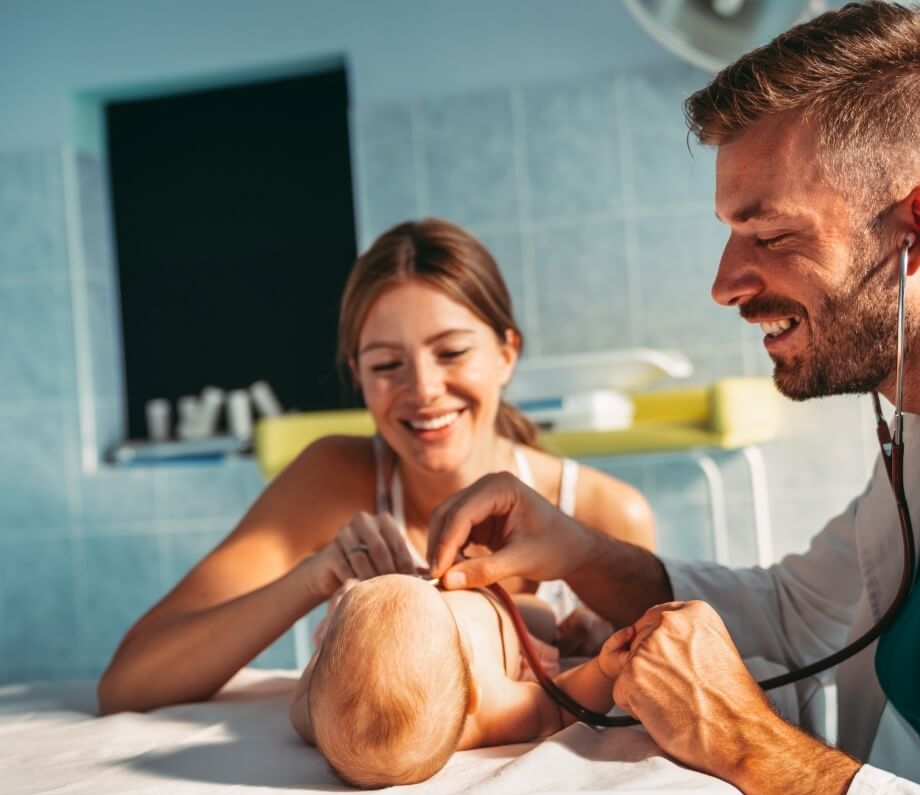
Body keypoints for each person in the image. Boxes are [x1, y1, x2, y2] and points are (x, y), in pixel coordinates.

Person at [422, 3, 920, 795]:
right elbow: (795, 614)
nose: (724, 285)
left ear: (916, 229)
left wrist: (749, 747)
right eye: (730, 235)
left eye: (771, 236)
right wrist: (577, 551)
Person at [97, 218, 654, 715]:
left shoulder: (604, 512)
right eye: (387, 364)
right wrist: (314, 576)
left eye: (452, 352)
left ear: (506, 353)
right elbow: (129, 683)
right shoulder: (334, 478)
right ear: (357, 374)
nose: (424, 390)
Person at [289, 574, 632, 788]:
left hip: (403, 609)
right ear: (471, 698)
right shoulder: (491, 709)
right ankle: (581, 626)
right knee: (546, 620)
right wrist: (604, 671)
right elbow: (560, 707)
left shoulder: (319, 719)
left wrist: (337, 620)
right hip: (502, 613)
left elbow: (303, 699)